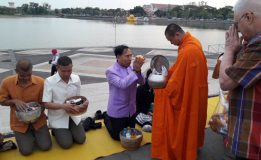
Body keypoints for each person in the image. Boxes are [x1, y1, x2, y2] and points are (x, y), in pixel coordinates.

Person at [151, 23, 208, 160]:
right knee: (194, 121)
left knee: (184, 119)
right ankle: (191, 146)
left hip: (190, 93)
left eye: (171, 40)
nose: (172, 43)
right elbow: (179, 70)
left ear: (177, 34)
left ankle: (181, 150)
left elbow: (175, 85)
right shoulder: (194, 42)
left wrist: (162, 90)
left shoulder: (187, 51)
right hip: (198, 90)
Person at [219, 0, 261, 159]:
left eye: (236, 24)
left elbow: (225, 82)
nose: (236, 30)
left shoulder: (259, 45)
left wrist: (229, 49)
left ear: (249, 17)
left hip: (254, 142)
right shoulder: (251, 45)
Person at [0, 59, 52, 155]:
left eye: (29, 75)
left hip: (38, 120)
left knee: (46, 147)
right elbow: (2, 101)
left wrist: (38, 114)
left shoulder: (41, 82)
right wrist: (14, 101)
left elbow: (44, 103)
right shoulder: (7, 82)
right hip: (19, 122)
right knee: (26, 151)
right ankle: (28, 136)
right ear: (16, 71)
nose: (26, 78)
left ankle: (34, 134)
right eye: (23, 76)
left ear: (32, 70)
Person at [42, 56, 88, 149]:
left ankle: (68, 130)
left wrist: (84, 103)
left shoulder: (76, 78)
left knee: (81, 140)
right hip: (58, 117)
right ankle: (55, 130)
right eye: (63, 71)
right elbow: (46, 104)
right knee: (67, 144)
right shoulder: (49, 81)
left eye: (69, 70)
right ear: (57, 68)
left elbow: (78, 98)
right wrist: (63, 106)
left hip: (73, 115)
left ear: (72, 67)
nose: (67, 74)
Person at [104, 45, 145, 140]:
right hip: (118, 110)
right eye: (127, 56)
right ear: (118, 57)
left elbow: (142, 82)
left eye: (131, 56)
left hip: (131, 109)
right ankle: (106, 118)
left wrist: (138, 71)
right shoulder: (111, 71)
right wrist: (135, 71)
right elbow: (122, 84)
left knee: (130, 135)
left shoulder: (131, 68)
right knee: (118, 137)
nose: (130, 59)